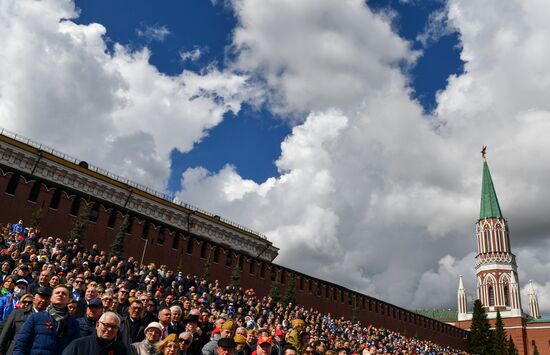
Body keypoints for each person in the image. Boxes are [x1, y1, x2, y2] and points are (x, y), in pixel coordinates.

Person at [13, 284, 80, 355]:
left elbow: (75, 348)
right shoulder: (36, 317)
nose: (60, 295)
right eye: (57, 293)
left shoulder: (73, 323)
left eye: (64, 294)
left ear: (68, 299)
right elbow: (22, 343)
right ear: (51, 298)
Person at [62, 311, 128, 355]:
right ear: (97, 325)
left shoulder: (120, 349)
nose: (109, 329)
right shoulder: (78, 345)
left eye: (114, 327)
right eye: (106, 325)